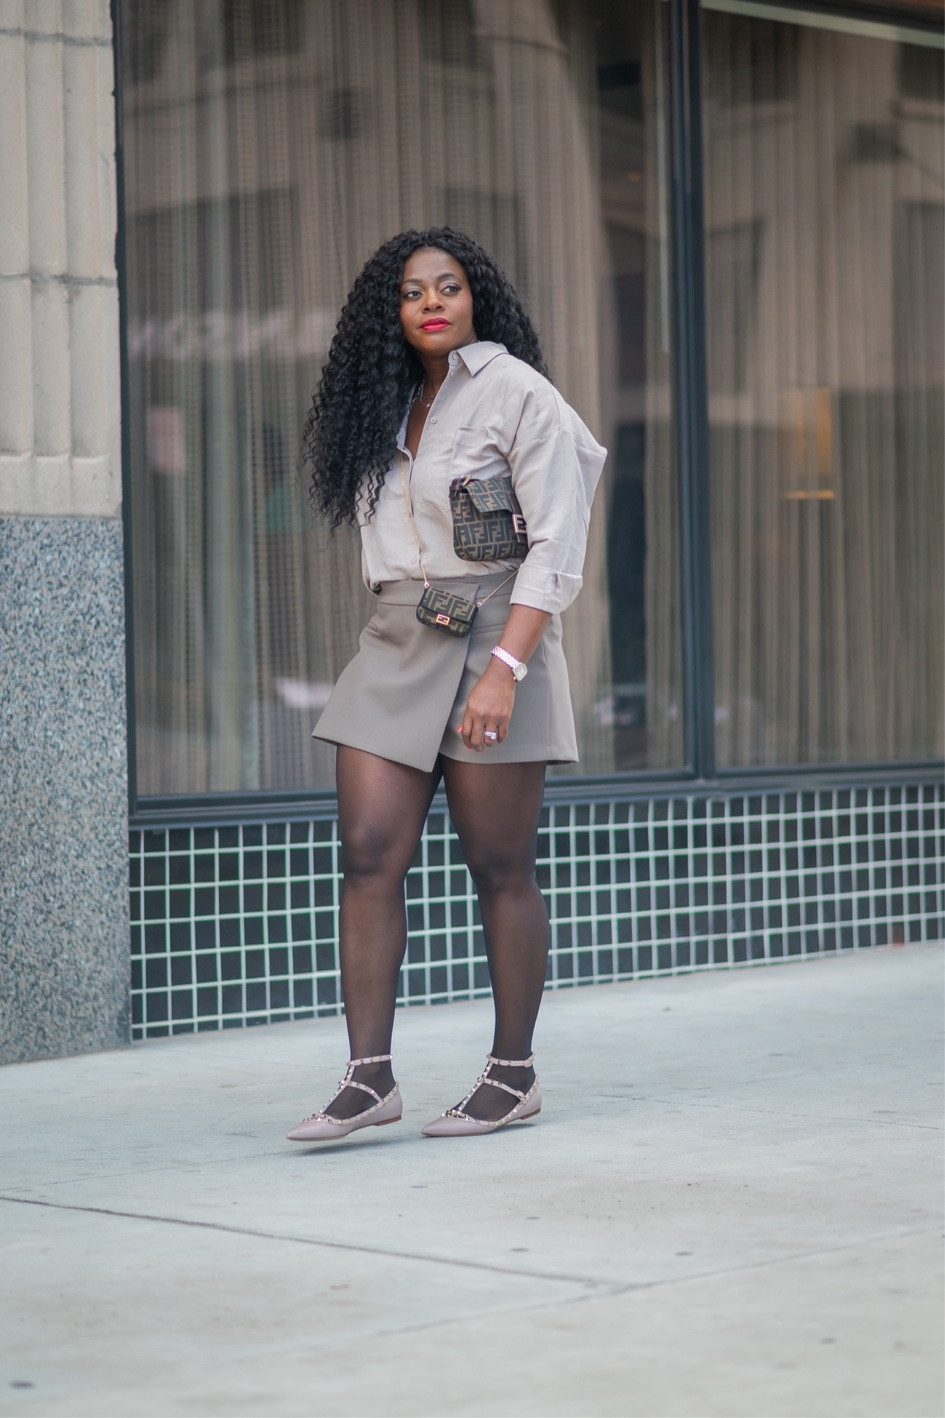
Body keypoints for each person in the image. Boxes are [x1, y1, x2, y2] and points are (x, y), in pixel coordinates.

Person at [289, 227, 605, 1142]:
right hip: (397, 636)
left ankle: (513, 1075)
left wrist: (505, 669)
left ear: (477, 300)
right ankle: (367, 1079)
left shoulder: (517, 394)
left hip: (493, 639)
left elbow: (558, 543)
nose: (431, 302)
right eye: (411, 292)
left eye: (449, 286)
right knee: (366, 854)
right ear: (386, 316)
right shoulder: (380, 407)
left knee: (499, 866)